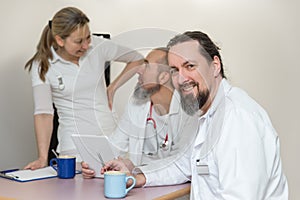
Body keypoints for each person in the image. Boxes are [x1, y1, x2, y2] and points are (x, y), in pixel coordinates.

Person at [101, 31, 289, 199]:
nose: (181, 79)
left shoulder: (237, 118)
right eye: (175, 70)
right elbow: (183, 165)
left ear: (215, 66)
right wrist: (138, 177)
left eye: (190, 66)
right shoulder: (207, 113)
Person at [24, 7, 143, 170]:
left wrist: (112, 88)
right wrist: (42, 158)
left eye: (88, 37)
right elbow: (44, 114)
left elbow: (137, 59)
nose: (86, 45)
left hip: (110, 139)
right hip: (74, 147)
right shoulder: (43, 66)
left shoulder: (98, 46)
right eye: (79, 41)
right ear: (60, 40)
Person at [81, 47, 198, 178]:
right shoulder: (136, 103)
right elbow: (116, 144)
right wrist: (95, 164)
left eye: (146, 65)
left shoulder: (189, 112)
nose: (138, 70)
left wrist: (136, 170)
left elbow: (181, 164)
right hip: (140, 184)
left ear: (163, 77)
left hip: (173, 189)